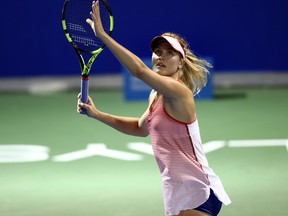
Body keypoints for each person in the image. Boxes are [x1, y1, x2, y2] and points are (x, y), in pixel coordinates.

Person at [77, 1, 231, 215]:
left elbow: (139, 71)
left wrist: (103, 36)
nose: (161, 56)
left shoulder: (179, 93)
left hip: (199, 192)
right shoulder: (155, 95)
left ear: (181, 63)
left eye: (170, 53)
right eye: (158, 51)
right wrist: (97, 114)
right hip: (177, 192)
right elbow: (140, 128)